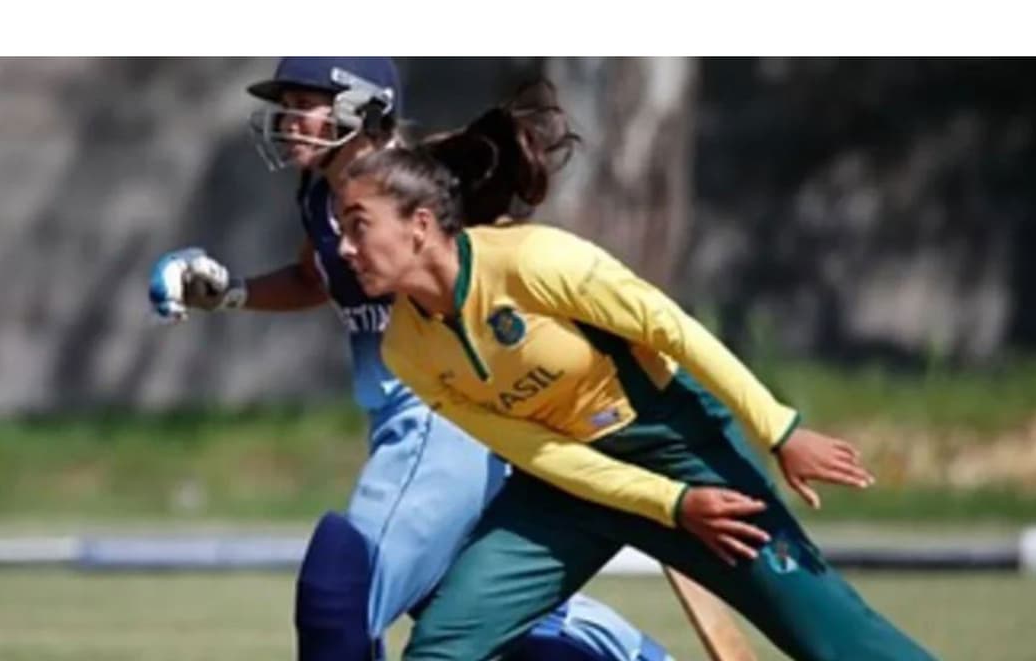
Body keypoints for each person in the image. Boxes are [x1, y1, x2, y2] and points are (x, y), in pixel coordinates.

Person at [330, 81, 940, 661]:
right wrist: (672, 505)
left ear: (421, 225)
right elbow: (540, 452)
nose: (344, 249)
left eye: (358, 226)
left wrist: (778, 431)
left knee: (833, 638)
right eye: (340, 231)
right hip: (566, 488)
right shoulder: (406, 351)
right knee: (444, 645)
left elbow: (673, 330)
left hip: (679, 446)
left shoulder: (536, 261)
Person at [149, 58, 673, 661]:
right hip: (415, 425)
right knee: (489, 611)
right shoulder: (324, 192)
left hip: (438, 415)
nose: (289, 120)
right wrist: (233, 292)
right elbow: (312, 275)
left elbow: (512, 280)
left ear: (360, 105)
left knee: (340, 592)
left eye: (305, 102)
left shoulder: (420, 188)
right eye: (287, 104)